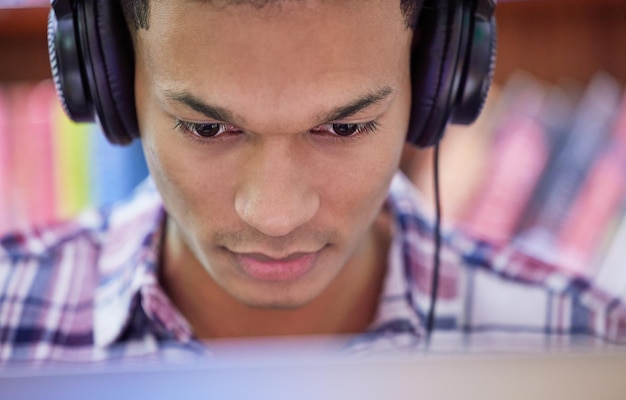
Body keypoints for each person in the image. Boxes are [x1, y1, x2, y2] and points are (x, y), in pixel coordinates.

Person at [0, 0, 624, 363]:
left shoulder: (589, 348)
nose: (275, 215)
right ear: (110, 83)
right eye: (207, 129)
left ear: (434, 85)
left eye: (345, 129)